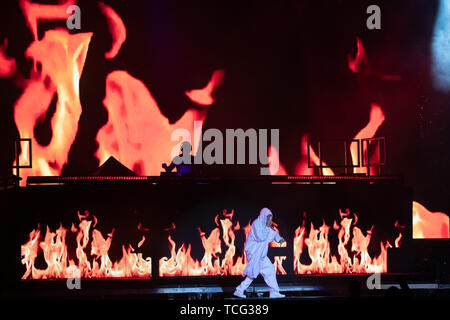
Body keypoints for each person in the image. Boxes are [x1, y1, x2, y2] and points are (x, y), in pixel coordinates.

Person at [234, 208, 286, 298]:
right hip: (254, 253)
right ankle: (239, 290)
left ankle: (274, 292)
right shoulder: (256, 224)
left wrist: (279, 239)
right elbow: (260, 237)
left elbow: (273, 234)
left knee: (269, 270)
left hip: (261, 255)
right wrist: (268, 227)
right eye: (268, 218)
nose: (269, 220)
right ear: (263, 216)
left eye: (270, 218)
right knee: (253, 273)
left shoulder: (266, 227)